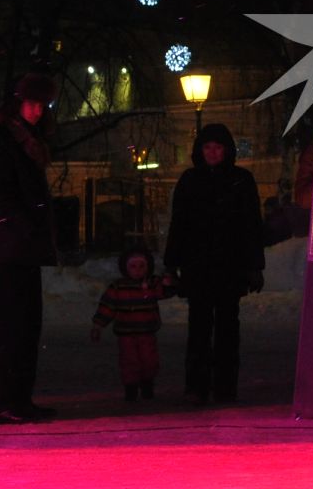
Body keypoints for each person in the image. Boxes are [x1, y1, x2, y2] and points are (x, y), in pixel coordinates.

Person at [0, 72, 60, 424]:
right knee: (15, 322)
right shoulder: (3, 139)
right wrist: (20, 219)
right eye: (33, 104)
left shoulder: (25, 139)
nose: (38, 111)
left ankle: (18, 398)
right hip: (14, 241)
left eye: (42, 105)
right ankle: (5, 400)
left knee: (27, 322)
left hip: (22, 240)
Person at [164, 123, 264, 403]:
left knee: (227, 329)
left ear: (227, 150)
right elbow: (179, 224)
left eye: (217, 147)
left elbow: (251, 226)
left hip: (230, 266)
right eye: (207, 147)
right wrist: (172, 265)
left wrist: (254, 266)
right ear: (200, 150)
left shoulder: (241, 180)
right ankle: (196, 385)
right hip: (198, 266)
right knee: (199, 328)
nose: (212, 152)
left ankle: (224, 386)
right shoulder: (190, 180)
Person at [90, 247, 173, 402]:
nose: (137, 271)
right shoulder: (118, 287)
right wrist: (98, 325)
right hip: (126, 333)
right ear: (125, 268)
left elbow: (164, 292)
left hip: (147, 332)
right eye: (133, 267)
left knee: (150, 360)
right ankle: (131, 387)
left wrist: (167, 283)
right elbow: (107, 306)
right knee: (129, 361)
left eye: (142, 266)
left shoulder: (152, 284)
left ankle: (147, 383)